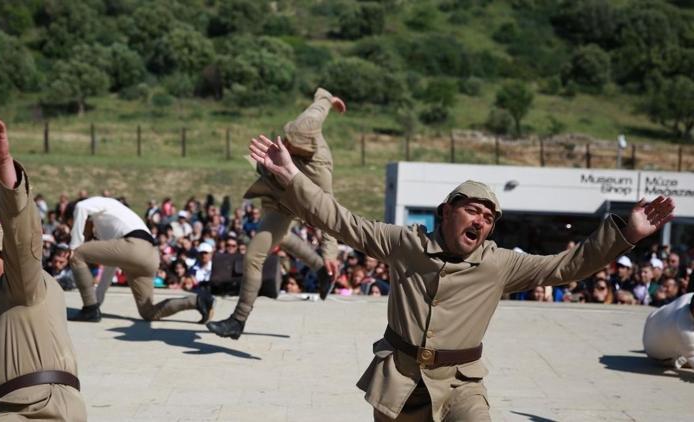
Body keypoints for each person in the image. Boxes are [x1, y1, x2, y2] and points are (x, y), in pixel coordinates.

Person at [247, 133, 675, 421]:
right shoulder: (406, 243)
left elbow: (566, 266)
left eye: (489, 218)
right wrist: (293, 178)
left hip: (460, 387)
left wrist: (625, 234)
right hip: (398, 379)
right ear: (445, 213)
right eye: (473, 210)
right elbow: (341, 222)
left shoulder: (498, 263)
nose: (482, 222)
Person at [0, 111, 86, 420]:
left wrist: (3, 165)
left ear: (8, 260)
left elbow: (21, 231)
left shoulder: (25, 284)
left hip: (39, 411)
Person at [207, 87, 346, 340]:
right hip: (277, 189)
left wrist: (329, 254)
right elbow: (319, 106)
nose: (286, 142)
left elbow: (330, 213)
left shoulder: (320, 169)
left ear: (307, 148)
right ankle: (318, 271)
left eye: (292, 143)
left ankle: (237, 320)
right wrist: (329, 99)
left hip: (293, 199)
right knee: (278, 237)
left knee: (253, 256)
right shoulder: (309, 125)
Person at [67, 195, 214, 323]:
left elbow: (80, 207)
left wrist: (74, 244)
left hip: (134, 247)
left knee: (77, 254)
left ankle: (89, 309)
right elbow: (110, 268)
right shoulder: (111, 221)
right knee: (148, 312)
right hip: (150, 255)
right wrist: (97, 303)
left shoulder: (97, 203)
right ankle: (197, 301)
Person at [643, 292, 694, 369]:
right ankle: (681, 357)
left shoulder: (690, 296)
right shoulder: (684, 331)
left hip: (655, 319)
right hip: (655, 352)